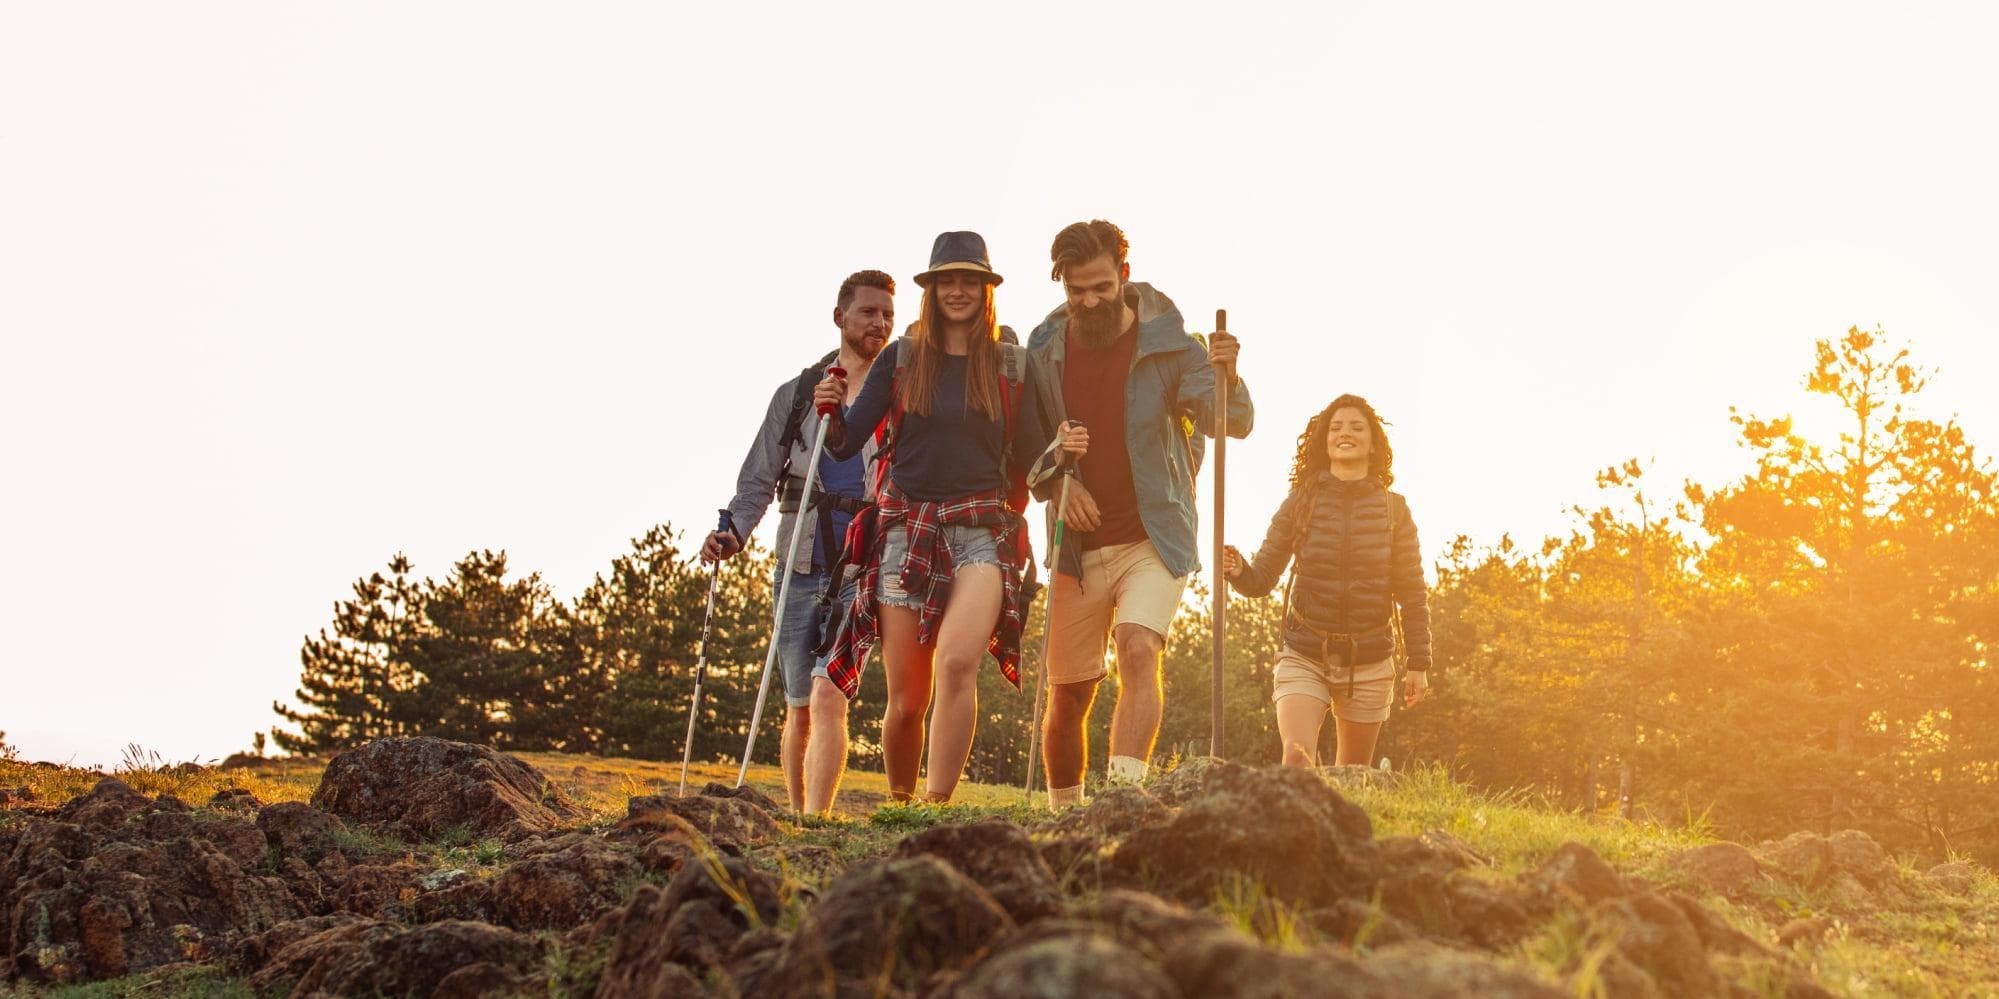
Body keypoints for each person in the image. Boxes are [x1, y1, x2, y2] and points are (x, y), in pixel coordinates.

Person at [816, 231, 1086, 803]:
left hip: (982, 531)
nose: (958, 290)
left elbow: (1035, 464)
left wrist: (1060, 452)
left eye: (971, 280)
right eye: (947, 281)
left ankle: (936, 808)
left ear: (987, 290)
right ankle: (901, 804)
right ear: (932, 290)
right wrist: (829, 409)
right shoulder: (903, 357)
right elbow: (843, 444)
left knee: (958, 664)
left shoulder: (1015, 366)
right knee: (907, 700)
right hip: (905, 532)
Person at [1026, 219, 1254, 807]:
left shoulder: (1175, 343)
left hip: (1155, 535)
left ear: (1124, 276)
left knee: (1137, 645)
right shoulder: (1045, 347)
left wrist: (1228, 373)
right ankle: (1064, 819)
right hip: (1075, 546)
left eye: (1100, 286)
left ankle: (1121, 802)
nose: (1088, 300)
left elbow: (1230, 421)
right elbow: (1026, 444)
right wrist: (1058, 486)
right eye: (1075, 290)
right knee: (1069, 694)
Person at [702, 269, 895, 813]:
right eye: (868, 312)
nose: (879, 323)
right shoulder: (796, 397)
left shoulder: (898, 397)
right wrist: (732, 532)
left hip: (862, 565)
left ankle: (816, 820)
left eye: (887, 314)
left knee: (829, 691)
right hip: (798, 560)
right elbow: (758, 478)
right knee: (798, 705)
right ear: (840, 317)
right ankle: (793, 813)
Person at [1222, 394, 1432, 768]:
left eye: (1356, 427)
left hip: (1369, 660)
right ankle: (1295, 827)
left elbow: (1413, 593)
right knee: (1296, 758)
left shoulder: (1393, 510)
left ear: (1373, 443)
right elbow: (1263, 578)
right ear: (1324, 442)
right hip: (1305, 652)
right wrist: (1239, 570)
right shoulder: (1300, 502)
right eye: (1335, 428)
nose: (1344, 433)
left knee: (1352, 775)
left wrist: (1418, 662)